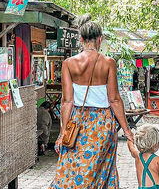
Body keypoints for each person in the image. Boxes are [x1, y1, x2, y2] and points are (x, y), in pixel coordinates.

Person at [49, 14, 133, 189]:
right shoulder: (108, 63)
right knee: (100, 169)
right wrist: (127, 130)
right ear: (100, 39)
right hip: (102, 124)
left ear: (81, 39)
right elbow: (114, 99)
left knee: (74, 168)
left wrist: (63, 132)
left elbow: (67, 101)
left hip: (77, 122)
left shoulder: (68, 63)